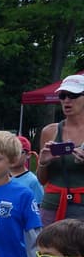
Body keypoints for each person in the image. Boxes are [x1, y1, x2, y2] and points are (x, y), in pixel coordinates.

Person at [37, 75, 84, 225]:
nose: (67, 100)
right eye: (63, 96)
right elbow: (42, 180)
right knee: (47, 241)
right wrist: (43, 163)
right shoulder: (50, 131)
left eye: (73, 95)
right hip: (52, 205)